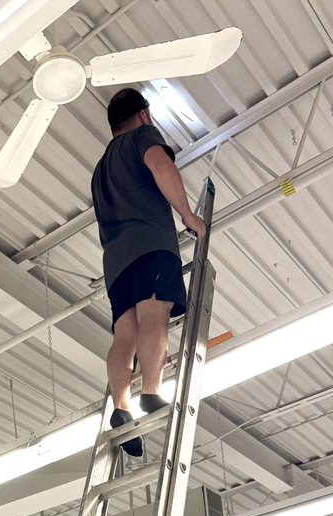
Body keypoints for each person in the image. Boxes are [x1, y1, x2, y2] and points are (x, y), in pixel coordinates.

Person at [91, 87, 206, 457]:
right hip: (150, 243)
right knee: (154, 312)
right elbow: (161, 165)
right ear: (143, 116)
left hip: (115, 261)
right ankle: (151, 391)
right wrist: (188, 215)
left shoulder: (100, 169)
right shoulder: (144, 137)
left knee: (124, 333)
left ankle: (121, 408)